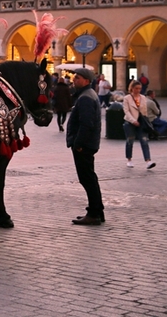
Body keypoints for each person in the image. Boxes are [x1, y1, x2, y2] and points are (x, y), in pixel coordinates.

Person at [66, 68, 104, 225]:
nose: (74, 80)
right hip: (88, 144)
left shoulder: (85, 98)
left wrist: (78, 144)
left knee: (87, 179)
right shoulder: (86, 95)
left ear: (87, 81)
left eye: (78, 78)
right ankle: (97, 211)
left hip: (84, 145)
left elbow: (86, 124)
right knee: (90, 178)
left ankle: (94, 213)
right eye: (74, 78)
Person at [123, 80, 159, 169]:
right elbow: (126, 111)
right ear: (132, 88)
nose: (138, 90)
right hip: (130, 122)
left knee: (144, 140)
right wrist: (133, 120)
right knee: (130, 140)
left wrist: (146, 120)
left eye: (140, 88)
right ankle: (129, 159)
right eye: (136, 88)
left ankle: (148, 161)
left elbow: (145, 111)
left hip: (141, 122)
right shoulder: (127, 98)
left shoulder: (143, 97)